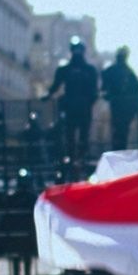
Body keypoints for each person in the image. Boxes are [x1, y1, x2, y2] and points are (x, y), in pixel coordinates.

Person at [42, 38, 98, 176]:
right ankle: (72, 158)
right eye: (75, 50)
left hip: (83, 108)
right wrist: (48, 95)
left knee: (83, 136)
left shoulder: (90, 70)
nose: (77, 53)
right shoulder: (65, 69)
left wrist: (88, 102)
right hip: (71, 108)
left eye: (79, 50)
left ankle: (81, 158)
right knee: (70, 136)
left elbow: (94, 91)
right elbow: (56, 85)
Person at [101, 46, 138, 151]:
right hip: (119, 104)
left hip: (123, 105)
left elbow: (135, 89)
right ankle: (119, 150)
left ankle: (119, 149)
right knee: (120, 130)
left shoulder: (129, 72)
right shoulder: (126, 72)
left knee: (120, 130)